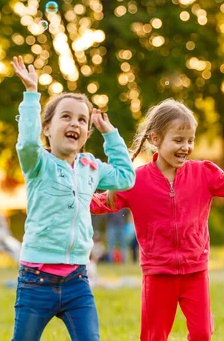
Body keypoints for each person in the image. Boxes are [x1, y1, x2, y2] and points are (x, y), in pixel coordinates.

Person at [90, 99, 224, 341]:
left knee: (201, 334)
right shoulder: (135, 181)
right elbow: (100, 203)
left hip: (195, 272)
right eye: (178, 140)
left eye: (190, 140)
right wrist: (66, 193)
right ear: (155, 139)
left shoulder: (203, 173)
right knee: (153, 336)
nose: (186, 147)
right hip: (157, 274)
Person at [10, 56, 135, 341]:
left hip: (77, 279)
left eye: (81, 120)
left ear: (86, 133)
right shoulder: (37, 163)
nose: (74, 124)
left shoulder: (90, 167)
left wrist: (110, 134)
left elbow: (126, 177)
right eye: (65, 116)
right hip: (35, 279)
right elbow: (27, 142)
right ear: (46, 128)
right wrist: (31, 94)